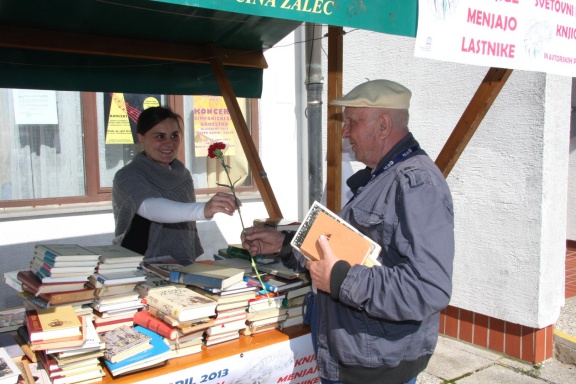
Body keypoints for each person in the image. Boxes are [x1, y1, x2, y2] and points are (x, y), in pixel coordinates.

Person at [242, 79, 455, 384]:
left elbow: (428, 289)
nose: (344, 132)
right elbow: (343, 251)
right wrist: (285, 245)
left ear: (383, 125)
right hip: (358, 357)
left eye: (352, 121)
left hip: (378, 367)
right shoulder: (380, 177)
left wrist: (340, 278)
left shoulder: (416, 184)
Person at [112, 106, 240, 263]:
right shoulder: (128, 175)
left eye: (174, 136)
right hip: (140, 266)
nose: (169, 143)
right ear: (141, 138)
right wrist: (203, 209)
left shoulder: (183, 174)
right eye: (160, 136)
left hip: (182, 265)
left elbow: (188, 229)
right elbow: (151, 208)